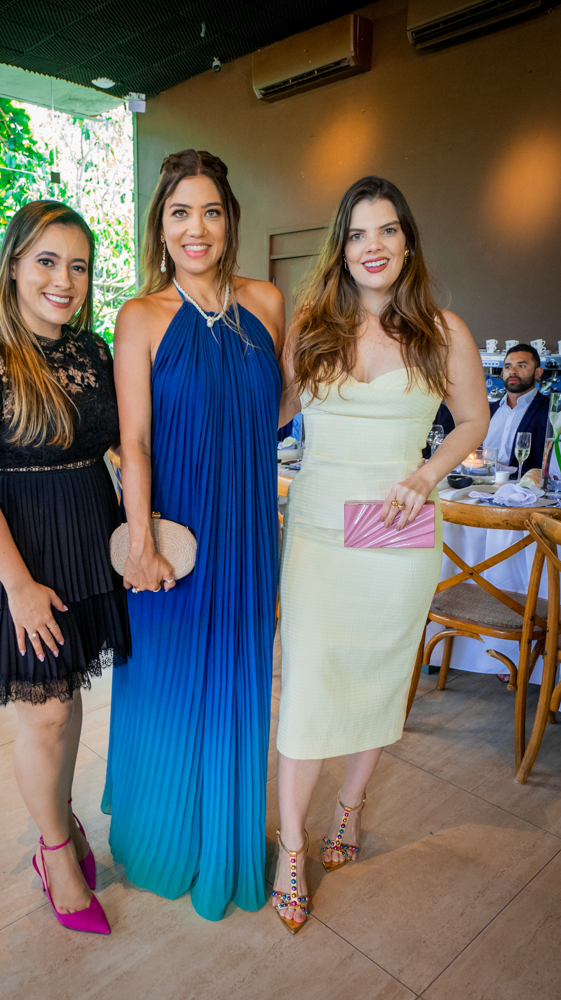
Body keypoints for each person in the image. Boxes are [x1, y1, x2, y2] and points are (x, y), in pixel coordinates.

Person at [273, 176, 489, 933]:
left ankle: (349, 808)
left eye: (387, 230)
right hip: (318, 527)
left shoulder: (442, 329)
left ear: (407, 241)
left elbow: (472, 420)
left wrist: (426, 475)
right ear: (341, 247)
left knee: (374, 677)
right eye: (358, 233)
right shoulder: (311, 327)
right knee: (307, 685)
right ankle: (291, 849)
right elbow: (273, 413)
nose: (373, 246)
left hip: (395, 528)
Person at [0, 201, 130, 935]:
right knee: (44, 712)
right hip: (18, 549)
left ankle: (61, 815)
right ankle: (53, 852)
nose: (64, 280)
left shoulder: (92, 351)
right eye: (47, 261)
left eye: (78, 266)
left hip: (85, 539)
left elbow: (119, 444)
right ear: (13, 264)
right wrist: (18, 586)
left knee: (67, 697)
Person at [102, 149, 284, 921]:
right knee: (166, 679)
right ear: (161, 226)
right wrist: (140, 542)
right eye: (180, 213)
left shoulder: (267, 301)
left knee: (238, 678)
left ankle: (225, 840)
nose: (196, 228)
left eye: (210, 211)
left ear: (229, 220)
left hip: (246, 529)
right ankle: (162, 837)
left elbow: (280, 406)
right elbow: (134, 441)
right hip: (174, 533)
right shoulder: (140, 315)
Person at [429, 344, 547, 474]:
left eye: (521, 366)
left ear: (538, 372)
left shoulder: (550, 412)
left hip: (525, 485)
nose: (512, 371)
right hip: (481, 482)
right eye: (508, 366)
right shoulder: (487, 411)